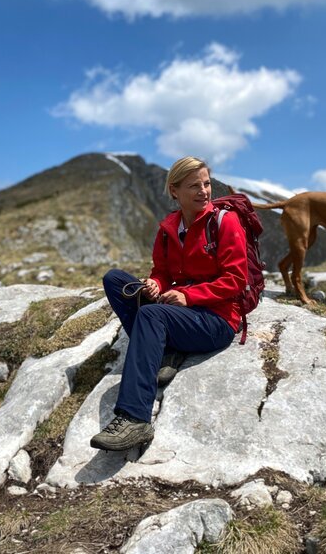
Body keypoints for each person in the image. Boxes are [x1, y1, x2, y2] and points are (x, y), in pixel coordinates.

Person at [90, 156, 248, 451]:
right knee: (115, 280)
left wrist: (189, 296)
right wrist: (156, 285)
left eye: (206, 184)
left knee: (151, 316)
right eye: (194, 186)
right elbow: (162, 271)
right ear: (174, 191)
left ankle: (135, 418)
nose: (203, 191)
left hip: (217, 320)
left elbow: (236, 279)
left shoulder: (225, 222)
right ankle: (167, 351)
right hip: (181, 315)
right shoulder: (169, 228)